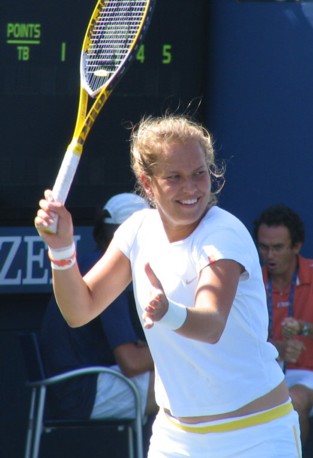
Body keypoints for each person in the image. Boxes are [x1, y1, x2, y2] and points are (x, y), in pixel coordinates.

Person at [35, 115, 301, 458]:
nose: (191, 188)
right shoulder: (136, 230)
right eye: (174, 177)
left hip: (255, 436)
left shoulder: (224, 234)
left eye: (199, 174)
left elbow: (211, 323)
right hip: (175, 440)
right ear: (148, 184)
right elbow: (78, 310)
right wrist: (61, 250)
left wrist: (168, 311)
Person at [40, 193, 158, 423]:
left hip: (66, 392)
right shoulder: (107, 276)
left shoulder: (91, 263)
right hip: (81, 394)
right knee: (187, 381)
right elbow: (131, 363)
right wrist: (180, 347)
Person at [254, 204, 313, 447]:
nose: (269, 256)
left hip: (307, 374)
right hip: (263, 374)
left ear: (296, 246)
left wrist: (304, 329)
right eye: (263, 247)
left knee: (292, 402)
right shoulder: (250, 282)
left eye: (277, 248)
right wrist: (276, 346)